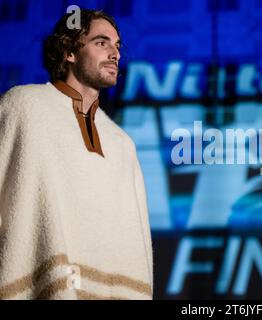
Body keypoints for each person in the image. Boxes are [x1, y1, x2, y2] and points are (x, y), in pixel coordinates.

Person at [0, 9, 153, 300]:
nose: (114, 53)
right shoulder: (24, 106)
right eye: (101, 42)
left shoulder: (122, 144)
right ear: (69, 51)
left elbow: (137, 241)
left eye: (118, 46)